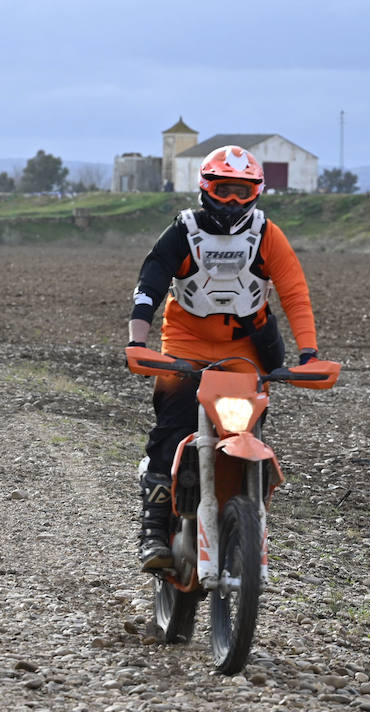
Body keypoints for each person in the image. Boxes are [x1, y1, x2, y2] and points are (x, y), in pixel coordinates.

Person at [126, 145, 323, 571]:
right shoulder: (182, 231)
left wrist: (309, 353)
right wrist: (137, 341)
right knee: (172, 429)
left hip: (245, 353)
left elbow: (294, 293)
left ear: (256, 191)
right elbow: (151, 282)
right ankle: (155, 531)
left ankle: (246, 512)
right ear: (206, 188)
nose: (233, 200)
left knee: (246, 431)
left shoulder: (268, 235)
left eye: (242, 191)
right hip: (185, 344)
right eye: (224, 189)